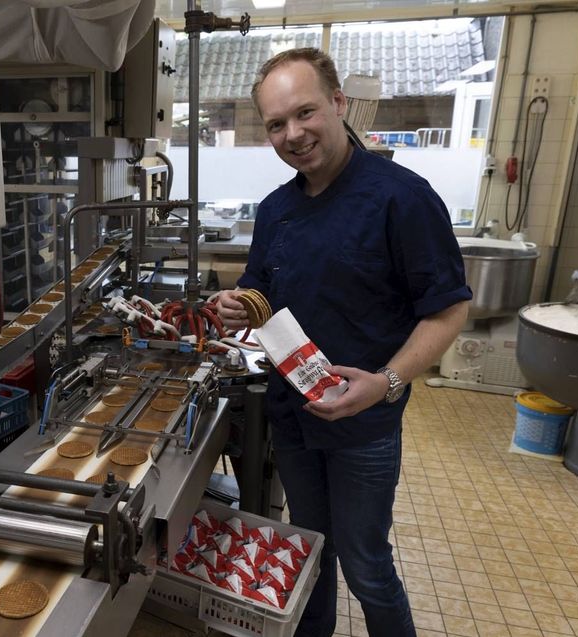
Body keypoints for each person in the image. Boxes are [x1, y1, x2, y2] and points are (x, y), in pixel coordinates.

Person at [214, 48, 472, 637]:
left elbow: (449, 308)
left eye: (305, 113)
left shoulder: (400, 197)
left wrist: (387, 382)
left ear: (337, 104)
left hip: (363, 426)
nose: (293, 133)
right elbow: (259, 289)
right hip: (295, 415)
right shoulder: (276, 210)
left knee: (366, 564)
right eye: (277, 123)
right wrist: (237, 303)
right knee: (310, 553)